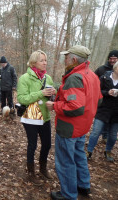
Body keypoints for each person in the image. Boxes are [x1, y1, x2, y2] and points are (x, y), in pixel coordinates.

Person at [46, 45, 102, 200]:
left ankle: (69, 195)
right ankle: (84, 186)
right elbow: (99, 100)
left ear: (74, 59)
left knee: (66, 162)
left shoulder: (74, 77)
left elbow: (75, 106)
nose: (64, 59)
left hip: (69, 128)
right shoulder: (91, 75)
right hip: (82, 127)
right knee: (79, 156)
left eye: (66, 57)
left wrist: (54, 105)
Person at [17, 50, 56, 185]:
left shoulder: (48, 78)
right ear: (34, 62)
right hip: (31, 116)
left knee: (47, 145)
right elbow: (22, 98)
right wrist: (41, 93)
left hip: (45, 116)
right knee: (32, 145)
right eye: (42, 60)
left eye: (46, 60)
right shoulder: (24, 78)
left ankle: (43, 168)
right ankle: (31, 172)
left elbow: (49, 97)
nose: (45, 63)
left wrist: (53, 95)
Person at [86, 61, 118, 162]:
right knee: (96, 132)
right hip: (103, 110)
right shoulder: (104, 77)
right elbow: (97, 91)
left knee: (113, 136)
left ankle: (108, 151)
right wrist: (107, 92)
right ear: (115, 68)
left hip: (116, 113)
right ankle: (89, 151)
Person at [94, 50, 118, 143]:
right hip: (102, 103)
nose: (112, 60)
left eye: (114, 59)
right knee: (99, 125)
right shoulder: (101, 69)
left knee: (111, 125)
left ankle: (105, 137)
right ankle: (101, 137)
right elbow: (94, 81)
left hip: (114, 107)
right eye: (110, 58)